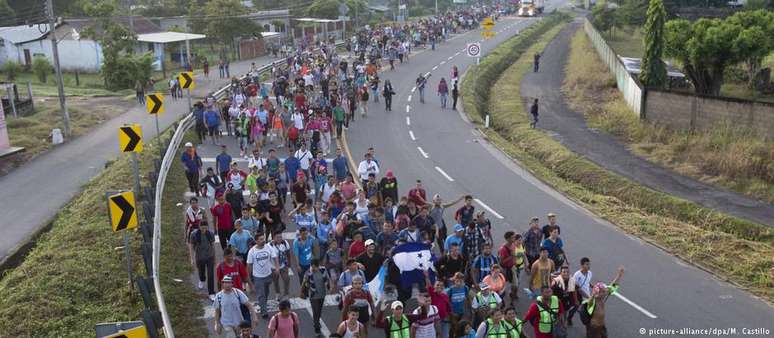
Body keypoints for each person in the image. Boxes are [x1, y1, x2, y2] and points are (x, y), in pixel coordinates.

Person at [582, 266, 624, 338]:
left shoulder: (601, 299)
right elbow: (589, 302)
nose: (605, 292)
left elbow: (611, 287)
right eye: (603, 291)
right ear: (598, 293)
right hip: (594, 328)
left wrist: (619, 276)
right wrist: (594, 295)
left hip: (601, 326)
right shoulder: (593, 302)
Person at [247, 233, 278, 319]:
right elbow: (249, 265)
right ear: (256, 241)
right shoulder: (252, 251)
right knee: (261, 294)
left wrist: (277, 267)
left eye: (263, 239)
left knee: (266, 292)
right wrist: (249, 279)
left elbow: (275, 257)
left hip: (268, 275)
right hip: (258, 277)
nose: (263, 240)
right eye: (260, 239)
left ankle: (263, 303)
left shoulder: (268, 247)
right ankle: (264, 311)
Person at [300, 258, 329, 336]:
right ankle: (316, 328)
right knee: (315, 311)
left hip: (322, 294)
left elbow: (327, 279)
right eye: (311, 266)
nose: (312, 268)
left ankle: (317, 322)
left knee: (319, 311)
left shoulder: (323, 270)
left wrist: (330, 286)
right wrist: (301, 292)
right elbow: (304, 282)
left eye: (314, 267)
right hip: (313, 295)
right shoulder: (308, 273)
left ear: (318, 266)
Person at [189, 221, 216, 299]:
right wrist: (191, 258)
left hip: (209, 256)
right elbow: (191, 246)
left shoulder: (210, 234)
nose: (204, 229)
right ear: (199, 227)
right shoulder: (193, 234)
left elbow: (213, 245)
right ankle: (201, 279)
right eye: (202, 228)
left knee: (210, 274)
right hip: (199, 257)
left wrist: (214, 257)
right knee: (201, 273)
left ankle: (211, 292)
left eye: (205, 228)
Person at [568, 257, 593, 325]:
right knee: (575, 308)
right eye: (587, 264)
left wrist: (592, 286)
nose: (588, 266)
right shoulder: (577, 275)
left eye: (589, 264)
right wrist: (576, 300)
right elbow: (574, 288)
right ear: (582, 265)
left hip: (587, 295)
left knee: (587, 310)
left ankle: (588, 322)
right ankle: (569, 317)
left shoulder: (590, 273)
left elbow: (587, 282)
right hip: (579, 295)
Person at [268, 230, 292, 300]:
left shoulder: (285, 243)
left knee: (286, 279)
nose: (279, 239)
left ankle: (286, 294)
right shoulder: (269, 246)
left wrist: (289, 263)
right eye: (277, 237)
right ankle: (277, 293)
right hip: (273, 267)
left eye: (280, 237)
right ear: (273, 238)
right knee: (276, 281)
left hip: (283, 265)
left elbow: (288, 253)